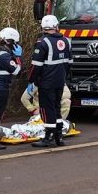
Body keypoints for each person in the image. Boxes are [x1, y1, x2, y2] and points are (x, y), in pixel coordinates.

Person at [29, 15, 73, 148]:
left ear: (43, 27)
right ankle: (59, 136)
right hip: (60, 81)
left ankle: (48, 137)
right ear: (56, 26)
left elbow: (36, 66)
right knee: (56, 108)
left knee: (47, 109)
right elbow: (69, 64)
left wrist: (32, 80)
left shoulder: (42, 42)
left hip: (46, 82)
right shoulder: (66, 41)